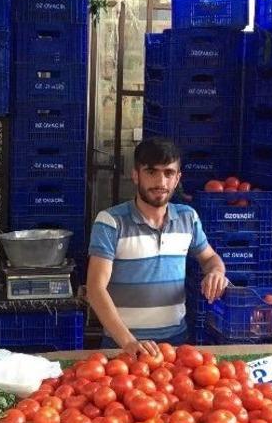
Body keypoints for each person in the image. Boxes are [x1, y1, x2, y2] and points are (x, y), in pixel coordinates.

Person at [87, 137, 228, 356]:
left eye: (168, 173)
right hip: (122, 350)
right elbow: (95, 288)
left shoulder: (188, 218)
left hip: (176, 347)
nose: (161, 181)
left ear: (177, 178)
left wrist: (217, 272)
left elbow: (209, 258)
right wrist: (129, 342)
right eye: (151, 171)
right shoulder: (110, 222)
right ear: (136, 175)